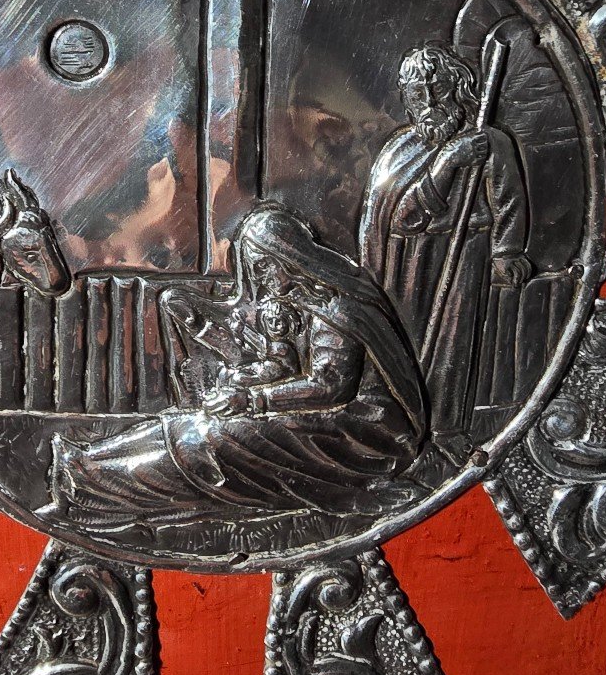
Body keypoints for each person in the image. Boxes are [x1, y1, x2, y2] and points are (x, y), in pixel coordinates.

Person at [46, 205, 427, 527]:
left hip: (363, 431)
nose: (260, 279)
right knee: (190, 424)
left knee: (215, 437)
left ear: (291, 259)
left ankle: (99, 485)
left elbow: (330, 386)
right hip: (315, 415)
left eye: (264, 267)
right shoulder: (298, 304)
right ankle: (82, 462)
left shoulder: (338, 308)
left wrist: (252, 402)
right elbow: (279, 360)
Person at [359, 43, 530, 447]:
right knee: (407, 345)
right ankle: (399, 425)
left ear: (460, 90)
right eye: (420, 94)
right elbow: (398, 216)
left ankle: (446, 430)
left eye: (441, 90)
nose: (432, 102)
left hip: (467, 253)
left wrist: (506, 251)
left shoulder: (488, 142)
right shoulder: (400, 150)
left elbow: (509, 200)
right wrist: (445, 165)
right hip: (407, 262)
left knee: (454, 343)